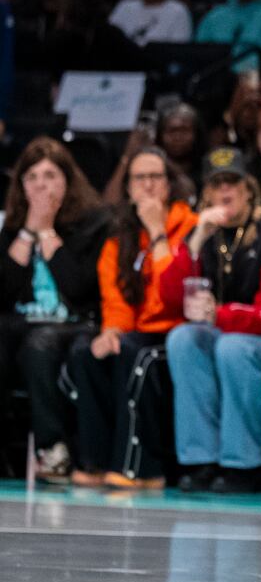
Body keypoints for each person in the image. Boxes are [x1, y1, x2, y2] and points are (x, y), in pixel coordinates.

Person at [160, 147, 261, 493]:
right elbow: (171, 297)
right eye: (217, 184)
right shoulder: (205, 235)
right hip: (226, 337)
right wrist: (195, 240)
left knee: (232, 348)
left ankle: (244, 464)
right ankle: (200, 459)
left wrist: (220, 314)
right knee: (182, 339)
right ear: (206, 193)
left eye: (232, 182)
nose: (225, 192)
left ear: (248, 188)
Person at [66, 149, 198, 489]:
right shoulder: (117, 237)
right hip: (136, 333)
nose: (148, 186)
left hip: (177, 333)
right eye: (140, 178)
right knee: (87, 353)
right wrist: (111, 331)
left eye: (156, 177)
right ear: (128, 188)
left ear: (169, 185)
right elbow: (115, 296)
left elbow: (172, 297)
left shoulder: (190, 227)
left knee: (136, 355)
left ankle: (141, 469)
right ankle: (94, 462)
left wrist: (157, 231)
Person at [0, 138, 109, 482]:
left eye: (50, 175)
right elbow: (3, 292)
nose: (41, 184)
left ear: (67, 180)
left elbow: (78, 288)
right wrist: (28, 231)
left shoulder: (94, 224)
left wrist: (46, 230)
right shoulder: (13, 229)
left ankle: (52, 449)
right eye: (31, 177)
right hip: (22, 319)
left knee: (40, 344)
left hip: (76, 322)